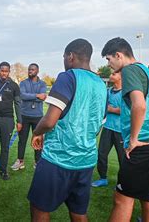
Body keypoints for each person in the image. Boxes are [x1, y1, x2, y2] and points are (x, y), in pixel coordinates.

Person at [28, 38, 107, 221]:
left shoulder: (68, 77)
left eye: (64, 57)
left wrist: (37, 132)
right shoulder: (101, 84)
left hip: (59, 158)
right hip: (86, 160)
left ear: (70, 56)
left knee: (39, 207)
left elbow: (49, 121)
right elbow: (98, 124)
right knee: (79, 212)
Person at [102, 37, 149, 222]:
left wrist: (133, 139)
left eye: (109, 59)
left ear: (118, 55)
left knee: (122, 200)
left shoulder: (130, 70)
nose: (109, 64)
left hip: (143, 146)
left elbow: (139, 106)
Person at [11, 63, 47, 171]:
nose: (30, 71)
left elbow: (43, 97)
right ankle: (20, 161)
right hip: (24, 115)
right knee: (22, 140)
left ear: (37, 71)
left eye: (32, 69)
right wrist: (36, 96)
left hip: (38, 116)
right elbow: (22, 95)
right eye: (29, 69)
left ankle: (37, 161)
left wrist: (31, 96)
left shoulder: (42, 84)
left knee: (38, 140)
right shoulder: (23, 83)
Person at [92, 71, 124, 187]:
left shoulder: (125, 93)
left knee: (122, 158)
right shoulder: (108, 91)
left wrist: (112, 110)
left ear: (121, 77)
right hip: (107, 128)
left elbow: (129, 111)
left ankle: (122, 182)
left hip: (120, 130)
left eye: (114, 74)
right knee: (101, 154)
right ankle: (103, 178)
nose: (110, 75)